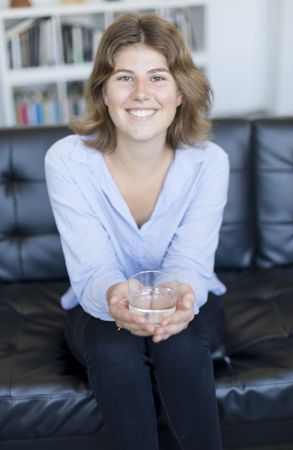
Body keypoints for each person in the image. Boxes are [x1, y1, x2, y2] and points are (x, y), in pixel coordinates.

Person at [45, 12, 229, 450]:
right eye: (125, 77)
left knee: (180, 347)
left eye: (158, 77)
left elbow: (190, 263)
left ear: (181, 92)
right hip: (98, 302)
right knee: (115, 351)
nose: (141, 94)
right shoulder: (67, 160)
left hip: (190, 298)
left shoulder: (208, 161)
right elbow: (93, 269)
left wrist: (179, 297)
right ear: (103, 92)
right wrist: (116, 299)